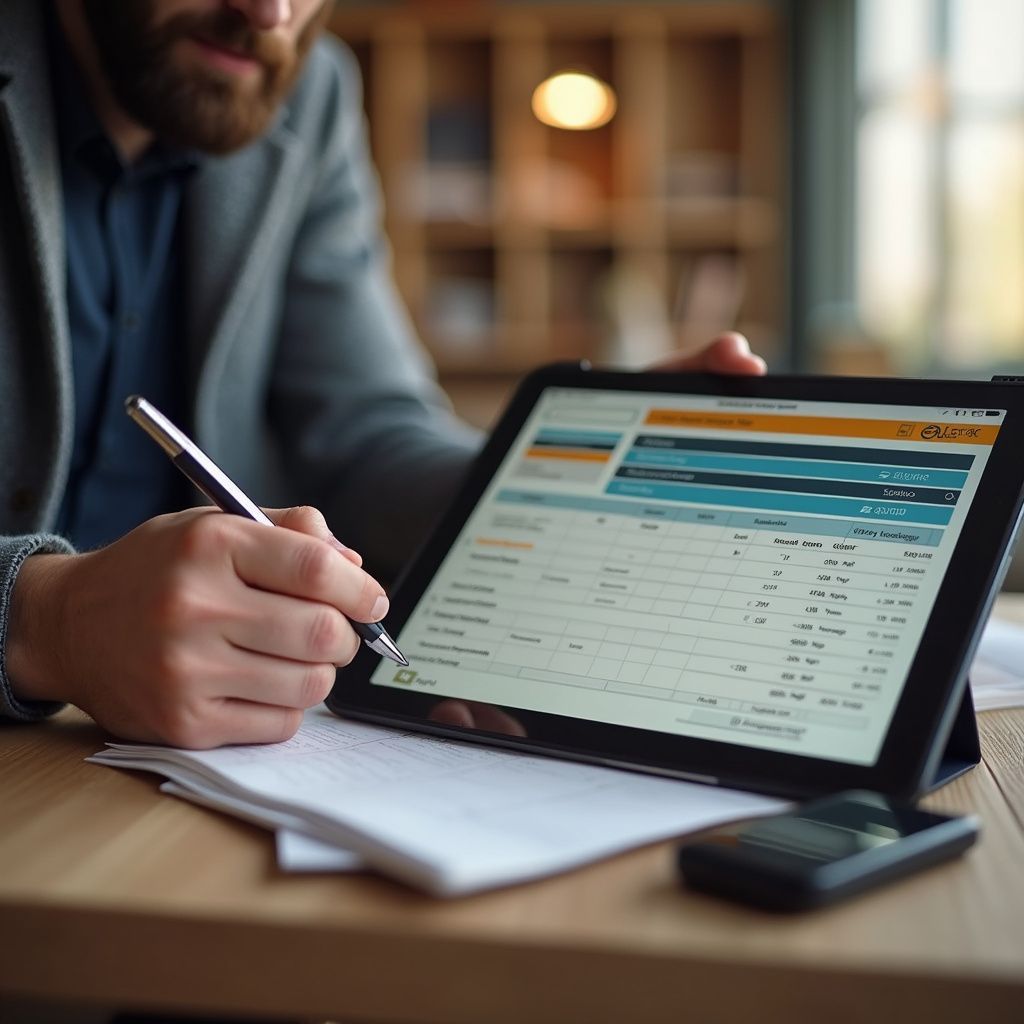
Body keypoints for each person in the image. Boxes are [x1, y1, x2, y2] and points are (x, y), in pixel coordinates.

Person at [0, 0, 766, 750]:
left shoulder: (309, 89)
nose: (270, 14)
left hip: (197, 751)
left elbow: (365, 434)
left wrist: (549, 487)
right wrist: (45, 620)